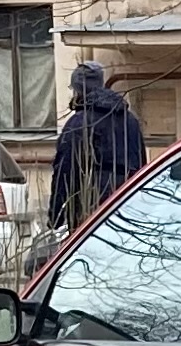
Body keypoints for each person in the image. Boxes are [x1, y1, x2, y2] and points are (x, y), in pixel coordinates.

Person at [48, 61, 146, 229]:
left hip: (90, 210)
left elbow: (65, 172)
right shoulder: (130, 120)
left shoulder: (78, 124)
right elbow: (142, 165)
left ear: (79, 91)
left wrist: (55, 217)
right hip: (128, 205)